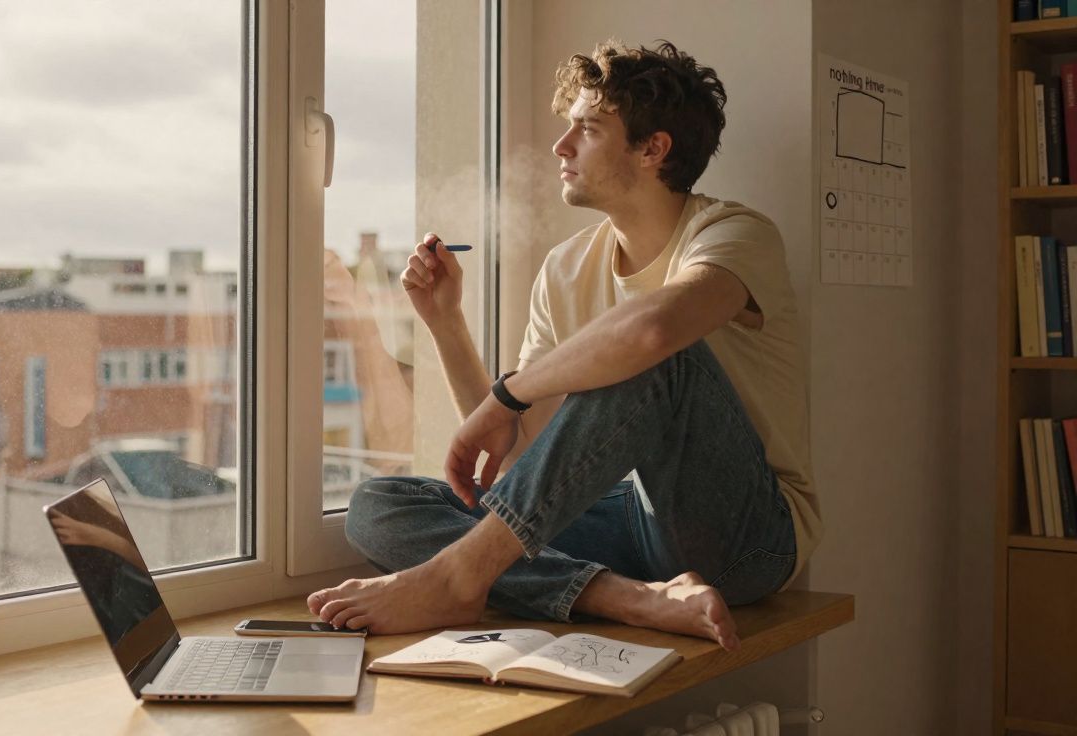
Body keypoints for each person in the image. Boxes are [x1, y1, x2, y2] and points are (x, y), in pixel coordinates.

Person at [307, 39, 821, 651]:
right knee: (380, 503)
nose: (561, 146)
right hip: (633, 525)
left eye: (588, 129)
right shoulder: (567, 267)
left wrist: (509, 394)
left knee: (659, 357)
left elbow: (653, 333)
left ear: (654, 148)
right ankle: (619, 597)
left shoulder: (734, 234)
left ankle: (460, 576)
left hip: (749, 538)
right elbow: (521, 458)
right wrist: (446, 324)